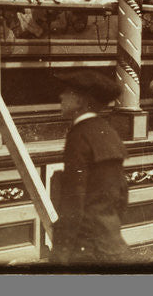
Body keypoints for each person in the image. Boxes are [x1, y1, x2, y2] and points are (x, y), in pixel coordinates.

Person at [51, 70, 131, 266]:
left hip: (85, 248)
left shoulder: (79, 136)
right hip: (111, 241)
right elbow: (122, 194)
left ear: (80, 101)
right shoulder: (108, 132)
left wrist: (61, 251)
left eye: (67, 92)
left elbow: (73, 199)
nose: (61, 96)